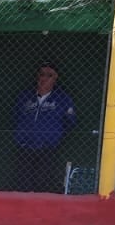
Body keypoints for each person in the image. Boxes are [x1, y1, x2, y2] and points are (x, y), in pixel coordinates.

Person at [11, 62, 77, 193]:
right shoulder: (25, 96)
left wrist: (53, 134)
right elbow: (15, 116)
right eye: (42, 74)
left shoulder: (62, 98)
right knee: (22, 185)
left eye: (49, 75)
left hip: (47, 149)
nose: (44, 78)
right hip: (25, 147)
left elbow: (70, 122)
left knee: (43, 184)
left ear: (55, 78)